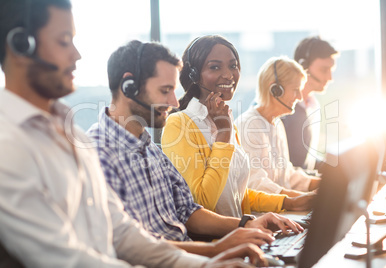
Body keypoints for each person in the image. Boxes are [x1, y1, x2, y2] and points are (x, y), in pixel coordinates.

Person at [0, 0, 269, 267]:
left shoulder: (72, 136)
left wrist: (207, 262)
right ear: (22, 45)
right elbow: (65, 258)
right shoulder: (10, 144)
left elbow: (122, 232)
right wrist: (207, 257)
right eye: (63, 41)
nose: (77, 54)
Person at [87, 39, 304, 259]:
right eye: (165, 90)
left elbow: (188, 210)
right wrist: (215, 250)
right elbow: (129, 247)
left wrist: (246, 223)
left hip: (194, 256)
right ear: (129, 86)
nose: (173, 101)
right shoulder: (97, 155)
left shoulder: (148, 147)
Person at [161, 35, 315, 219]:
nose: (228, 74)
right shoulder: (180, 124)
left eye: (233, 66)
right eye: (215, 67)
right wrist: (223, 137)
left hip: (244, 232)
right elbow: (202, 203)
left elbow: (237, 193)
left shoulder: (225, 121)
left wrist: (288, 202)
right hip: (219, 242)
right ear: (194, 75)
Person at [235, 56, 321, 197]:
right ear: (275, 89)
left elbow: (287, 175)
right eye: (295, 90)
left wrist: (324, 184)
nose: (300, 97)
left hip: (283, 209)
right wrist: (300, 198)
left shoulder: (277, 123)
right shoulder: (248, 126)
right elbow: (256, 184)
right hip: (262, 215)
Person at [281, 36, 338, 170]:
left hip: (305, 184)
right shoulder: (282, 110)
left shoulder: (312, 105)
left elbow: (305, 160)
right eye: (324, 70)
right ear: (303, 67)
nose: (330, 78)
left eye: (331, 70)